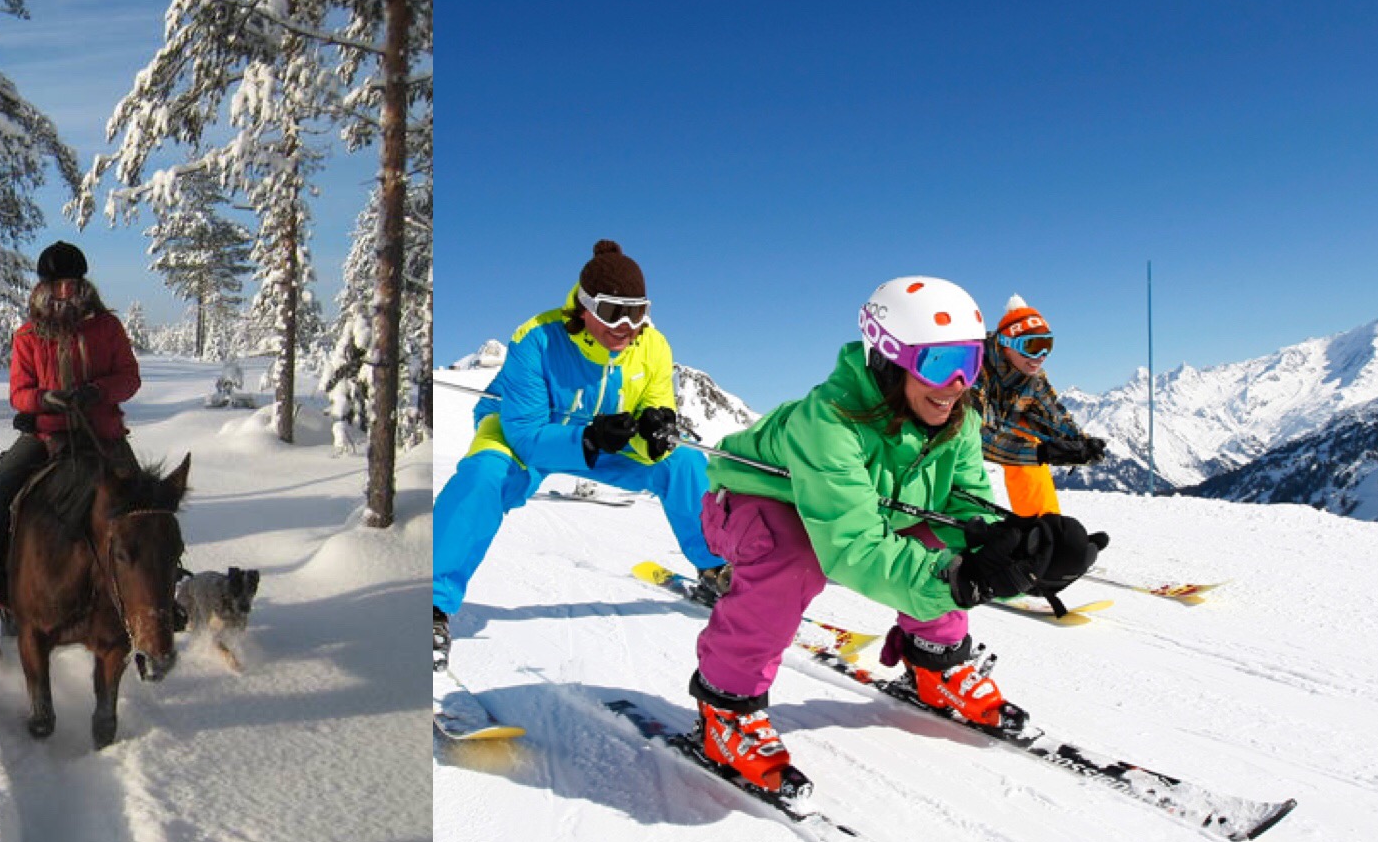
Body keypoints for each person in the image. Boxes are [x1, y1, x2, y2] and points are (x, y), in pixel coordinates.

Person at [688, 276, 1108, 799]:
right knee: (794, 555)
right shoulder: (828, 422)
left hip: (862, 502)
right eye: (939, 362)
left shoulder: (958, 419)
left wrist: (1020, 549)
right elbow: (853, 548)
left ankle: (936, 662)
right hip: (752, 503)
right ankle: (727, 708)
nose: (957, 382)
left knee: (939, 533)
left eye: (971, 361)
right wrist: (965, 581)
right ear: (889, 358)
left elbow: (963, 510)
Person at [433, 240, 721, 672]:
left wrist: (654, 432)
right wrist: (587, 437)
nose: (626, 326)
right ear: (585, 307)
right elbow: (525, 434)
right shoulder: (537, 339)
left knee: (683, 464)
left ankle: (715, 567)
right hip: (523, 434)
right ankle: (433, 604)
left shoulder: (654, 346)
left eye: (637, 313)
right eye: (612, 312)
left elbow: (656, 407)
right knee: (483, 477)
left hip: (607, 440)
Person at [0, 241, 142, 619]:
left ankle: (159, 590)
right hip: (46, 436)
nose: (66, 290)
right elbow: (18, 393)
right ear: (45, 286)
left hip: (102, 434)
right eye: (58, 284)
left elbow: (130, 377)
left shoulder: (107, 327)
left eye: (72, 282)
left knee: (147, 505)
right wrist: (45, 399)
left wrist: (98, 391)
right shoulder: (28, 335)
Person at [970, 294, 1108, 520]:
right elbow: (974, 436)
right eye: (1032, 346)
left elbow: (1053, 415)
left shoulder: (1032, 377)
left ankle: (1044, 522)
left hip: (1002, 419)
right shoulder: (973, 366)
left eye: (1047, 345)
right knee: (1024, 452)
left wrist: (1080, 442)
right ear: (1007, 344)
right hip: (959, 427)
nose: (1041, 356)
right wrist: (1042, 452)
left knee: (1030, 443)